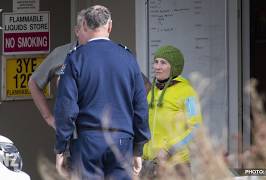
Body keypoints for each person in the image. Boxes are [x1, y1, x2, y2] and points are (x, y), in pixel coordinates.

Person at [54, 5, 151, 180]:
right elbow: (140, 107)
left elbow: (66, 108)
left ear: (83, 26)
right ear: (110, 26)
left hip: (87, 142)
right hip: (122, 141)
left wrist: (61, 147)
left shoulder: (75, 58)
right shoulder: (128, 58)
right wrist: (138, 148)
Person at [142, 45, 202, 178]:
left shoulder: (187, 92)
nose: (157, 67)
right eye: (156, 62)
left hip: (176, 166)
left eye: (163, 63)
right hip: (150, 164)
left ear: (174, 67)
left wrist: (170, 150)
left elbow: (196, 128)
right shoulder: (153, 92)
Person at [28, 10, 86, 129]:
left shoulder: (107, 53)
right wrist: (49, 118)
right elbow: (34, 82)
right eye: (85, 29)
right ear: (77, 31)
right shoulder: (61, 53)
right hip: (70, 129)